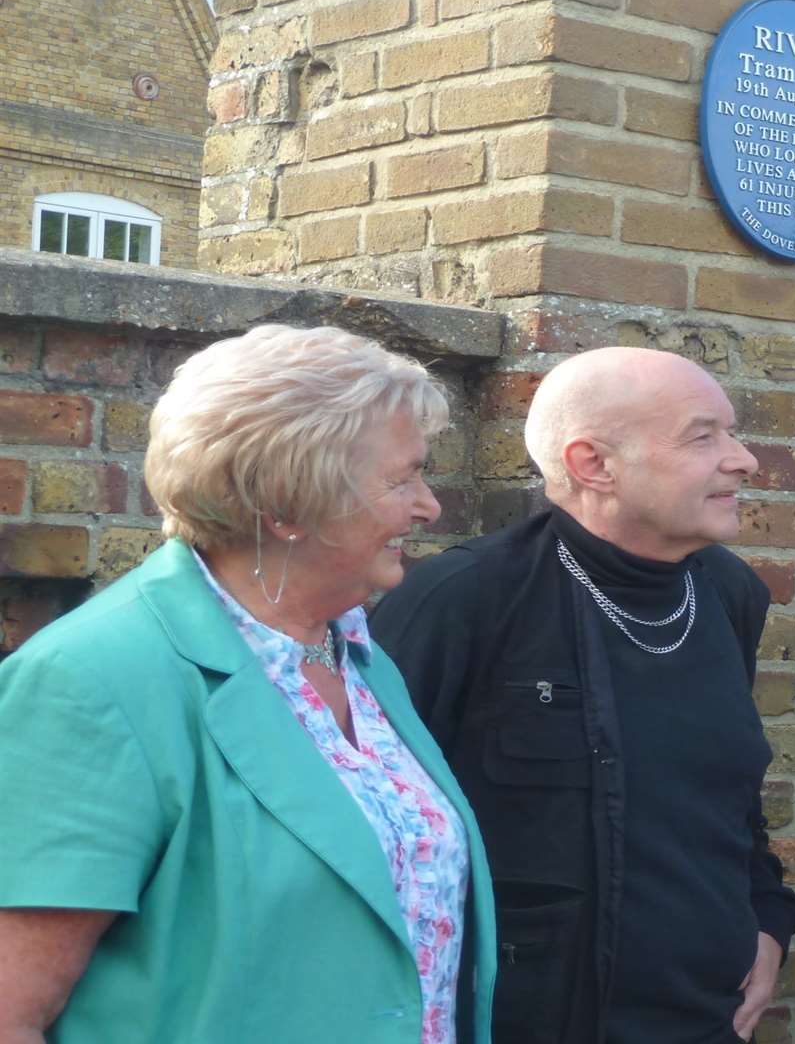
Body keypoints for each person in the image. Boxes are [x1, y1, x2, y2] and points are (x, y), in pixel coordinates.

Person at [0, 325, 496, 1043]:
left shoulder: (354, 652)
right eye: (402, 478)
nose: (429, 507)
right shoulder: (92, 679)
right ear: (287, 505)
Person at [370, 347, 795, 1044]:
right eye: (704, 436)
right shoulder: (462, 601)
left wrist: (768, 917)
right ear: (593, 463)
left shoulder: (728, 593)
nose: (744, 459)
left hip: (707, 1019)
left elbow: (727, 798)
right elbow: (378, 829)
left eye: (731, 431)